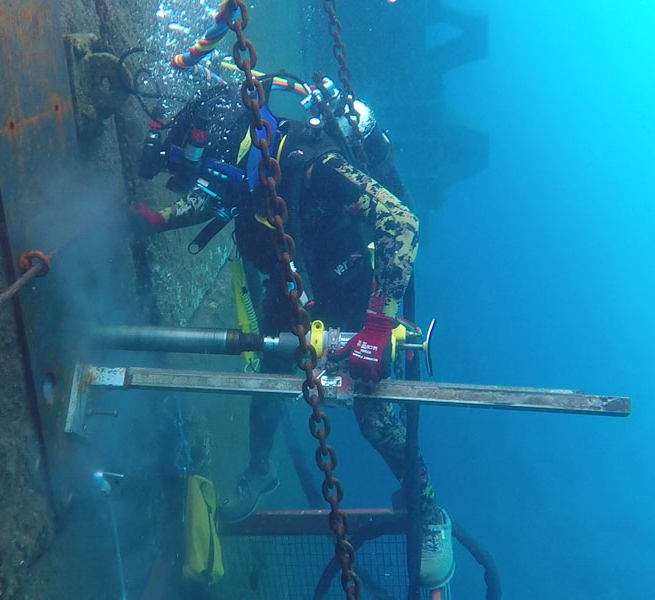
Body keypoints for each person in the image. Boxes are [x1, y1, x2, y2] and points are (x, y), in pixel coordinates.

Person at [133, 79, 454, 591]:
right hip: (292, 290)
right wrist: (157, 219)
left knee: (374, 417)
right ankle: (261, 470)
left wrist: (378, 324)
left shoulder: (311, 162)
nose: (207, 183)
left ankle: (430, 510)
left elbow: (402, 223)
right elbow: (215, 198)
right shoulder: (242, 167)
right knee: (268, 384)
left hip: (355, 293)